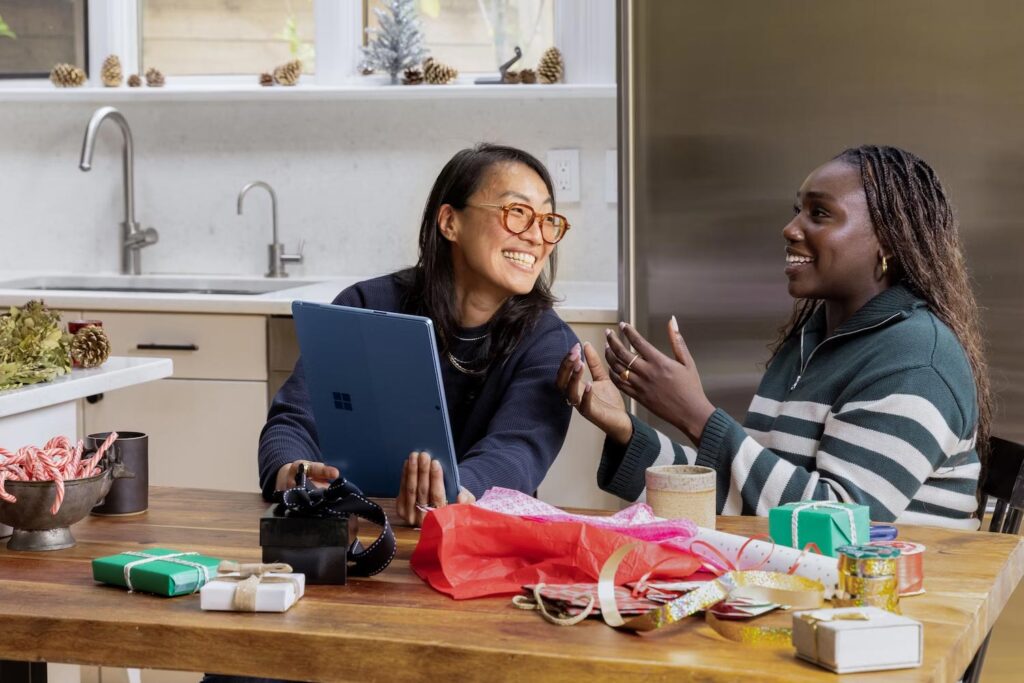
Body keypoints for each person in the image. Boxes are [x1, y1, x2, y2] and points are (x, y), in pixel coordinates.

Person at [558, 145, 990, 529]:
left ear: (889, 243)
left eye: (819, 213)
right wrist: (625, 432)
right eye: (797, 210)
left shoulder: (916, 359)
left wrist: (696, 416)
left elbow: (842, 527)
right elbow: (755, 495)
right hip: (809, 589)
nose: (790, 228)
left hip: (895, 605)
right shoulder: (812, 341)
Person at [259, 143, 577, 527]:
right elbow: (296, 417)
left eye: (547, 220)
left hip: (475, 537)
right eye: (518, 213)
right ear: (449, 222)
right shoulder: (363, 304)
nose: (536, 236)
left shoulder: (549, 342)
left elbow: (517, 452)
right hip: (357, 528)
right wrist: (291, 472)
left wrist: (451, 494)